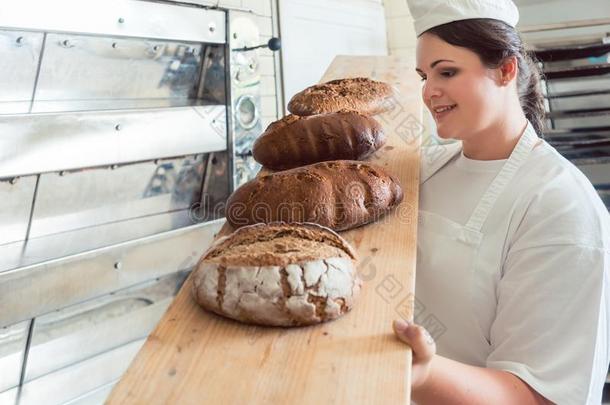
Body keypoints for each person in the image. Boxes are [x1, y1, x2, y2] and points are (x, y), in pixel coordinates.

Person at [391, 0, 610, 404]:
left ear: (506, 69)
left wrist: (423, 373)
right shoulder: (423, 170)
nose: (428, 91)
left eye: (447, 71)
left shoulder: (561, 207)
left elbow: (540, 396)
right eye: (424, 75)